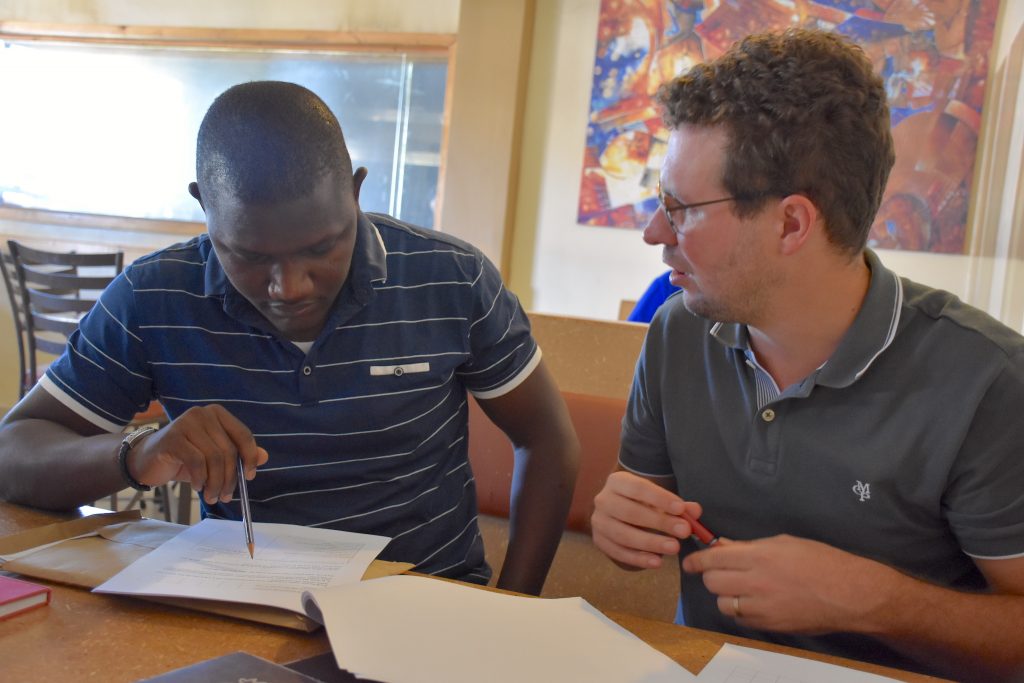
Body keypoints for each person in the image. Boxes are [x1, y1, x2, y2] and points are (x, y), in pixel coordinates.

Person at [0, 81, 580, 596]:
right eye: (249, 256)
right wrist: (139, 452)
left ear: (355, 192)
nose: (289, 288)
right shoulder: (153, 298)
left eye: (322, 247)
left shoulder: (450, 279)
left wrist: (515, 605)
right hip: (241, 610)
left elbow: (548, 438)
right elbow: (13, 450)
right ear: (203, 206)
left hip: (429, 604)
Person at [590, 28, 1024, 681]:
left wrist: (876, 599)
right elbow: (644, 510)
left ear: (792, 224)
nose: (655, 234)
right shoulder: (677, 333)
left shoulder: (989, 382)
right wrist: (622, 520)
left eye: (680, 210)